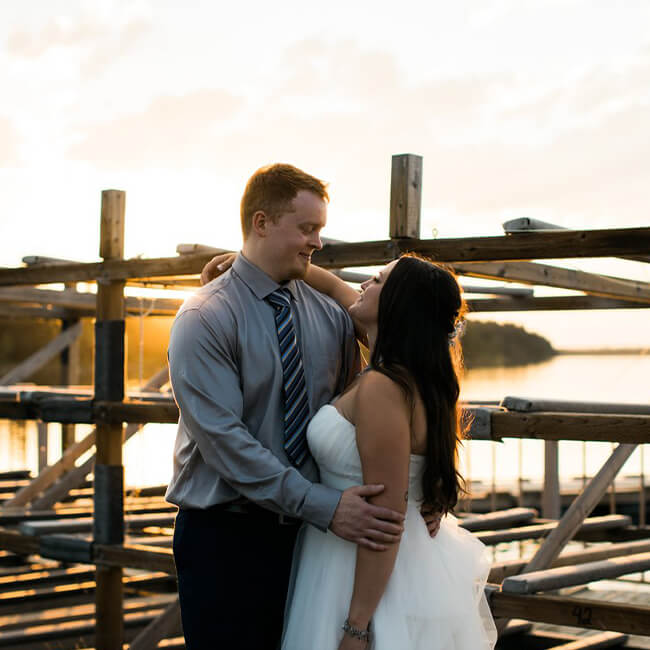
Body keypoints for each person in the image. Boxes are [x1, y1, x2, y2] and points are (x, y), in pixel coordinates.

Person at [166, 164, 437, 650]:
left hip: (314, 542)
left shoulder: (334, 316)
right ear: (262, 223)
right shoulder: (205, 317)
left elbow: (417, 363)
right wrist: (325, 507)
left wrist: (429, 486)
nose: (317, 242)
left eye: (320, 231)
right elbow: (226, 444)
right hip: (227, 539)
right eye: (307, 228)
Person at [204, 253, 497, 649]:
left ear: (396, 305)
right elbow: (332, 285)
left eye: (376, 280)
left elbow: (385, 519)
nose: (361, 284)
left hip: (360, 572)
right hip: (364, 557)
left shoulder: (383, 388)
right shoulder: (415, 377)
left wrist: (356, 626)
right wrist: (254, 262)